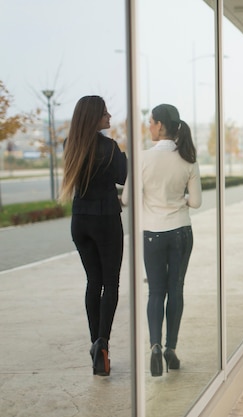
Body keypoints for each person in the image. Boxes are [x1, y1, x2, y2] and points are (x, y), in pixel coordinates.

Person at [122, 104, 201, 377]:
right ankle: (171, 348)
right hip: (181, 231)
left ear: (158, 125)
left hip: (152, 234)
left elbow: (126, 199)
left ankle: (154, 346)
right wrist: (179, 199)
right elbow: (197, 201)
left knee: (156, 292)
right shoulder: (188, 159)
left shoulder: (142, 158)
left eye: (150, 122)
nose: (149, 126)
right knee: (176, 289)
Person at [59, 96, 127, 376]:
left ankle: (94, 343)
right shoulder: (109, 147)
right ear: (94, 117)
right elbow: (123, 177)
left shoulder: (69, 145)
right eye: (104, 113)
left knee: (93, 282)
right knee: (110, 284)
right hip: (106, 220)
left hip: (80, 222)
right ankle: (103, 345)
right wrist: (125, 154)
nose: (109, 117)